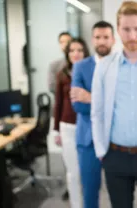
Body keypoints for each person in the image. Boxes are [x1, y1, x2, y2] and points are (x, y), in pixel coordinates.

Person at [91, 2, 137, 208]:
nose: (132, 35)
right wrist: (101, 151)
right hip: (115, 156)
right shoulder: (104, 67)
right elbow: (97, 112)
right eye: (126, 29)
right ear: (118, 30)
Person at [70, 21, 115, 208]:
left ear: (113, 39)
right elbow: (78, 106)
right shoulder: (80, 67)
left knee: (118, 194)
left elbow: (122, 105)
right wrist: (107, 102)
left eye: (106, 37)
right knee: (89, 192)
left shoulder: (121, 65)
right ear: (92, 40)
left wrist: (92, 98)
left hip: (115, 140)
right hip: (87, 140)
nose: (102, 41)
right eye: (98, 37)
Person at [53, 38, 89, 208]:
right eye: (72, 50)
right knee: (73, 172)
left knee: (87, 172)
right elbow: (58, 103)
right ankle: (76, 205)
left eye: (80, 50)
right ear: (67, 54)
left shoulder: (92, 72)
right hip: (67, 127)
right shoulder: (62, 75)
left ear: (85, 52)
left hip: (88, 127)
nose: (76, 53)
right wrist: (55, 130)